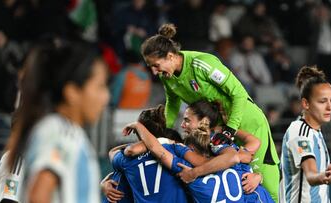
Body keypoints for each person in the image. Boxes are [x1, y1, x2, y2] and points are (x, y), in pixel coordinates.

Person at [141, 23, 280, 202]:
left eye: (156, 65)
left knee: (264, 183)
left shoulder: (202, 64)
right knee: (239, 183)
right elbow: (173, 104)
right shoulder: (167, 77)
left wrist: (230, 129)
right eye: (150, 66)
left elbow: (238, 94)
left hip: (247, 123)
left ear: (170, 56)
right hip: (220, 131)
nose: (154, 72)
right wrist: (162, 134)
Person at [5, 39, 110, 203]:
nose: (106, 97)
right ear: (72, 92)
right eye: (100, 86)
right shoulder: (57, 132)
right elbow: (39, 197)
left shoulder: (67, 131)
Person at [122, 118, 274, 203]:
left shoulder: (187, 171)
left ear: (191, 149)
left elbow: (157, 149)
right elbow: (253, 142)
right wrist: (258, 176)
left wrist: (138, 125)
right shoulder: (235, 157)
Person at [279, 65, 331, 202]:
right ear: (306, 104)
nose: (329, 107)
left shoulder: (316, 132)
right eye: (322, 101)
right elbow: (311, 176)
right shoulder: (299, 131)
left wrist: (326, 172)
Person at [108, 105, 190, 203]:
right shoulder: (175, 149)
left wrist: (104, 183)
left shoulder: (126, 159)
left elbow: (112, 152)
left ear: (137, 132)